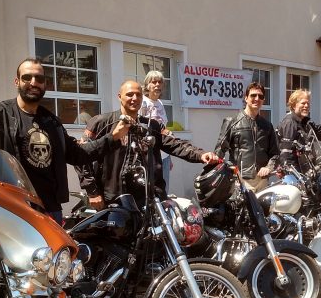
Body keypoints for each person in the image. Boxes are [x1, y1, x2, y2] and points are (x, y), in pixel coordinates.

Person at [0, 58, 129, 223]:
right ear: (17, 81)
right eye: (27, 77)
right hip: (15, 209)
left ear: (45, 84)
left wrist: (113, 138)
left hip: (50, 210)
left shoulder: (51, 122)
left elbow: (78, 154)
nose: (34, 82)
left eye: (39, 79)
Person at [82, 79, 217, 206]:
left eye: (138, 95)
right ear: (119, 97)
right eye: (129, 95)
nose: (134, 99)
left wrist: (201, 154)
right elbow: (81, 155)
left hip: (148, 198)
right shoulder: (101, 123)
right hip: (113, 197)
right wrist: (92, 191)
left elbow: (175, 144)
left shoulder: (152, 125)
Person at [213, 83, 279, 190]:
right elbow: (218, 153)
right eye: (253, 95)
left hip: (262, 181)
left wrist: (268, 167)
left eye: (260, 96)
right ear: (246, 98)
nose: (257, 98)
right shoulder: (232, 123)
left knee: (263, 207)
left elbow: (275, 154)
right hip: (240, 180)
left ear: (263, 100)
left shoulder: (267, 126)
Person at [140, 70, 173, 187]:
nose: (157, 85)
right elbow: (140, 127)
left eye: (160, 82)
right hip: (149, 154)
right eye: (154, 82)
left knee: (164, 188)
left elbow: (164, 126)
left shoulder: (160, 103)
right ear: (147, 85)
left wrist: (169, 156)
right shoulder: (142, 102)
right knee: (151, 189)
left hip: (164, 153)